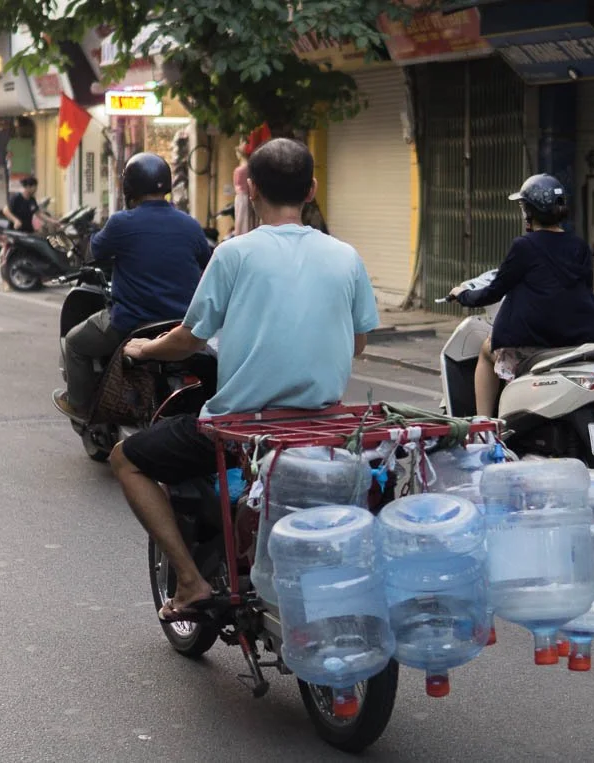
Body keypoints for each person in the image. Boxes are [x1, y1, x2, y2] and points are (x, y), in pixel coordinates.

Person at [109, 137, 379, 622]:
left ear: (251, 190)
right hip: (320, 425)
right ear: (312, 189)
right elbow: (358, 343)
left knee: (126, 458)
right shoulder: (346, 257)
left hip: (241, 426)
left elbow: (190, 338)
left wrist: (143, 349)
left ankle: (190, 582)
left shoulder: (234, 254)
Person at [53, 152, 212, 421]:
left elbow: (94, 251)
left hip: (133, 324)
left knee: (74, 343)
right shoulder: (190, 225)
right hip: (181, 327)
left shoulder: (121, 223)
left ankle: (80, 405)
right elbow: (206, 263)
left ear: (129, 187)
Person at [449, 173, 594, 417]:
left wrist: (463, 294)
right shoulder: (579, 246)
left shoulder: (524, 246)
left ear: (530, 212)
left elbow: (494, 292)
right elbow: (582, 291)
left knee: (487, 351)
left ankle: (484, 426)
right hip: (577, 341)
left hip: (535, 342)